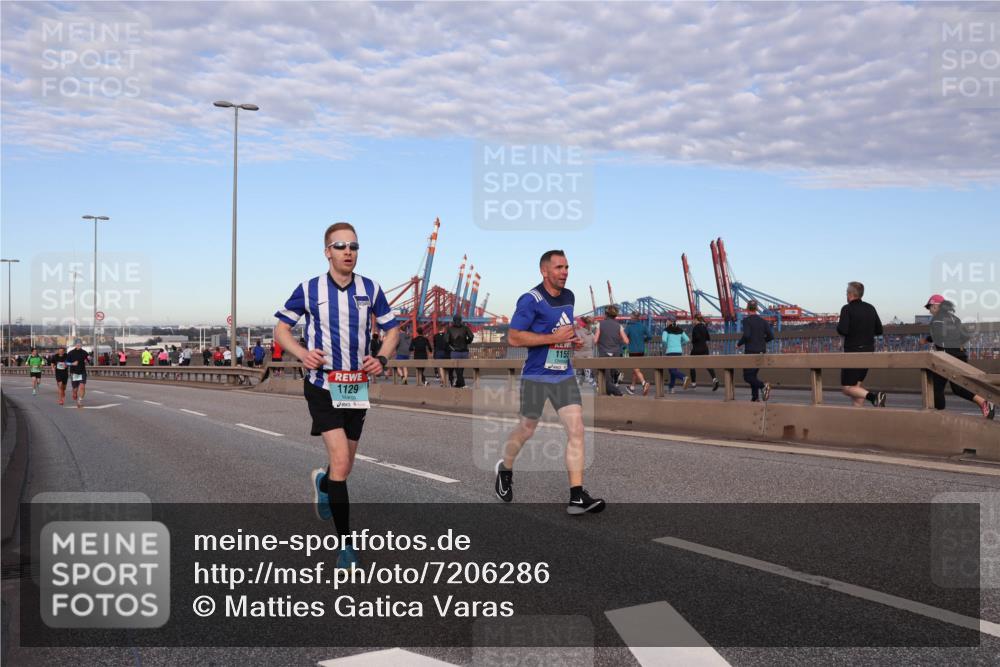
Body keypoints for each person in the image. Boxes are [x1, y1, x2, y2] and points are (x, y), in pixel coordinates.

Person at [274, 221, 399, 569]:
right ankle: (347, 546)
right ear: (327, 251)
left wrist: (383, 357)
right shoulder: (309, 288)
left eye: (354, 246)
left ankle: (322, 481)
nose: (348, 252)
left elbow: (393, 331)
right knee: (342, 463)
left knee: (346, 464)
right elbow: (281, 329)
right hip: (321, 385)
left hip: (356, 387)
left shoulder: (370, 289)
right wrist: (301, 353)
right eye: (341, 246)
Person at [496, 249, 605, 515]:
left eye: (567, 267)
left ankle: (577, 497)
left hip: (563, 374)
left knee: (577, 429)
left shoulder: (569, 297)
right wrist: (551, 337)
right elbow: (514, 338)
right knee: (527, 429)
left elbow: (563, 330)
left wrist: (572, 340)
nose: (565, 272)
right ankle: (505, 468)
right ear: (545, 271)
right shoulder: (530, 300)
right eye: (559, 268)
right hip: (536, 375)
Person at [922, 295, 995, 419]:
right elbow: (965, 336)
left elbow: (937, 336)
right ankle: (982, 401)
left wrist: (926, 339)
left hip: (946, 358)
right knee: (957, 388)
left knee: (937, 388)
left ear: (935, 306)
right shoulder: (955, 318)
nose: (929, 310)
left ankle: (939, 415)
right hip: (960, 355)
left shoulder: (937, 319)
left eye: (930, 307)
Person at [836, 281, 887, 408]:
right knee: (856, 389)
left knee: (846, 388)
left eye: (846, 292)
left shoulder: (847, 309)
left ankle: (874, 397)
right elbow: (879, 330)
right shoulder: (870, 308)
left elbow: (843, 330)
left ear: (850, 294)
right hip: (869, 350)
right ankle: (856, 421)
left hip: (853, 352)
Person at [736, 300, 773, 402]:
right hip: (761, 351)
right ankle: (755, 397)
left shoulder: (746, 321)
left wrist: (739, 344)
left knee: (747, 376)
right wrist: (762, 341)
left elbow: (747, 335)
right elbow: (771, 336)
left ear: (747, 308)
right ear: (756, 309)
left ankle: (763, 386)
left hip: (751, 352)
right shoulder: (763, 321)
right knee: (753, 375)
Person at [595, 305, 628, 396]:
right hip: (615, 352)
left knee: (606, 376)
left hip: (604, 352)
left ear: (606, 314)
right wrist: (618, 342)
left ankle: (617, 392)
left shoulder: (600, 324)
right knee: (611, 375)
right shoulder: (619, 326)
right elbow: (626, 340)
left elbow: (595, 340)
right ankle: (612, 389)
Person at [689, 313, 719, 391]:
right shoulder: (704, 327)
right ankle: (714, 379)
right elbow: (708, 338)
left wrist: (693, 340)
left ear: (695, 320)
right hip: (705, 348)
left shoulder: (695, 328)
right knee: (707, 365)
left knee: (691, 365)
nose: (693, 321)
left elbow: (697, 337)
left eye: (693, 320)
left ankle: (693, 384)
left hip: (696, 349)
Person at [624, 312, 651, 395]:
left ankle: (644, 383)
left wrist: (624, 346)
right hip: (642, 350)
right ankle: (632, 388)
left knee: (635, 368)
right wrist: (644, 340)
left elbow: (624, 337)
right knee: (636, 369)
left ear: (632, 317)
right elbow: (650, 336)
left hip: (633, 350)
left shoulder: (629, 326)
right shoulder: (643, 326)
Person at [661, 318, 690, 393]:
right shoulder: (680, 329)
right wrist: (680, 344)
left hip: (670, 352)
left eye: (667, 321)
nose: (666, 322)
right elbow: (687, 339)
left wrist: (667, 345)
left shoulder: (666, 330)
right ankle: (671, 388)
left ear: (669, 321)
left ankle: (684, 377)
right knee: (673, 370)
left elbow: (664, 340)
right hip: (679, 351)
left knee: (671, 370)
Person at [447, 314, 474, 388]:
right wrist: (467, 342)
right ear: (461, 320)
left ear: (453, 320)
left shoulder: (450, 329)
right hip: (464, 352)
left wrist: (452, 347)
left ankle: (461, 383)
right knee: (461, 369)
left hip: (455, 352)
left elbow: (446, 341)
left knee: (457, 368)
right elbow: (471, 336)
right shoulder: (465, 328)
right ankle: (460, 383)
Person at [66, 339, 89, 408]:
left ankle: (80, 401)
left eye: (80, 344)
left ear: (81, 345)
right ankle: (74, 393)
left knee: (82, 387)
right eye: (77, 344)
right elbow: (66, 363)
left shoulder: (85, 352)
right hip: (74, 372)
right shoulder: (71, 353)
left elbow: (88, 360)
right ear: (75, 345)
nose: (79, 345)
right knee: (75, 389)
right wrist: (72, 363)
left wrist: (88, 360)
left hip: (82, 372)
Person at [574, 316, 596, 387]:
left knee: (578, 369)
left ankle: (578, 380)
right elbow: (594, 343)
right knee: (588, 367)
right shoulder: (591, 333)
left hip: (579, 353)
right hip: (589, 353)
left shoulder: (578, 331)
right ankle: (588, 378)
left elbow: (578, 341)